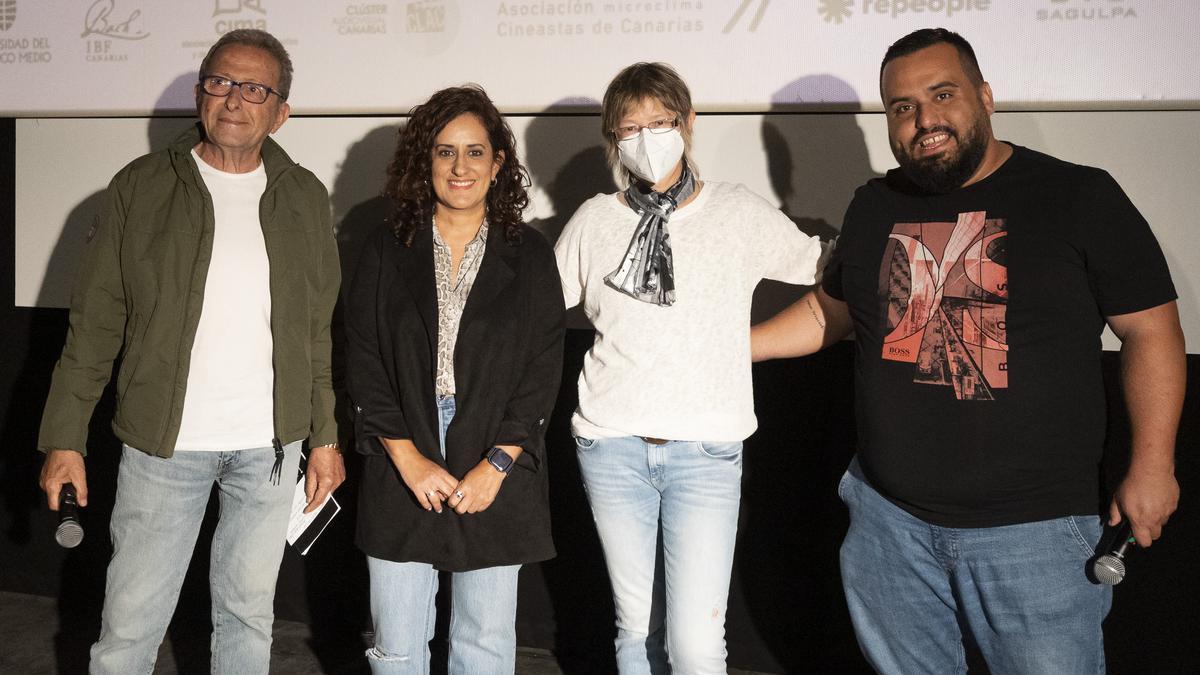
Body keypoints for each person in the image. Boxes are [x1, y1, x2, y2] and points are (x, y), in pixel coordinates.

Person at [752, 28, 1186, 673]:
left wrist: (1153, 464)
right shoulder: (874, 206)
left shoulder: (1080, 196)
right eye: (901, 106)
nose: (924, 119)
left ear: (985, 96)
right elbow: (831, 311)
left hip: (1034, 537)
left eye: (942, 94)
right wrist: (729, 348)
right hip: (887, 527)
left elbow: (1151, 332)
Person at [35, 29, 344, 673]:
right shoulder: (140, 187)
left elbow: (316, 332)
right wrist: (64, 438)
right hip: (161, 448)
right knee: (129, 628)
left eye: (255, 88)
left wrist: (325, 437)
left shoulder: (306, 197)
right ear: (200, 95)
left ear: (280, 111)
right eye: (220, 83)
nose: (235, 99)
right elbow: (93, 328)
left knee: (247, 622)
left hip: (270, 451)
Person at [554, 62, 825, 673]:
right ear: (612, 138)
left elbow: (823, 266)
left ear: (689, 124)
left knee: (696, 646)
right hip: (611, 447)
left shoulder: (735, 210)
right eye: (630, 128)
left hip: (705, 453)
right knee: (635, 629)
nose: (646, 139)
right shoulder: (595, 219)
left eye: (661, 123)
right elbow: (535, 309)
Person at [345, 85, 565, 674]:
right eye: (444, 152)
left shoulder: (532, 255)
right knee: (396, 649)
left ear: (498, 163)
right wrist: (407, 456)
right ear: (426, 163)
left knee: (484, 647)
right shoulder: (386, 247)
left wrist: (499, 464)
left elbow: (543, 368)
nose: (459, 167)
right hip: (401, 451)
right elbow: (363, 360)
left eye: (474, 152)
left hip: (495, 455)